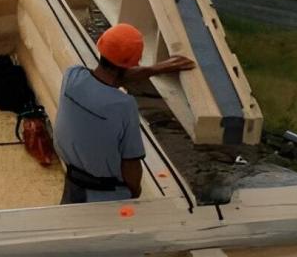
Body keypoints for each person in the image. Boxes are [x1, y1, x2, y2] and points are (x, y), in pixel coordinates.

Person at [53, 23, 195, 204]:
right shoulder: (123, 105)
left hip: (74, 183)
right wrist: (134, 190)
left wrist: (156, 69)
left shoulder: (72, 76)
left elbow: (112, 77)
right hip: (108, 194)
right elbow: (130, 163)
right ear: (134, 61)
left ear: (101, 47)